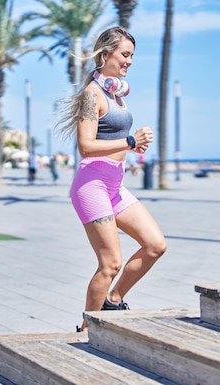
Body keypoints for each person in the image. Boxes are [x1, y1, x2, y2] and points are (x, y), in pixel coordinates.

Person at [56, 27, 166, 334]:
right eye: (125, 54)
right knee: (110, 264)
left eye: (132, 56)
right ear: (106, 55)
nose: (129, 61)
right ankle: (88, 330)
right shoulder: (92, 95)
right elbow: (86, 146)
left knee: (155, 244)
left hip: (115, 186)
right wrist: (130, 141)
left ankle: (113, 302)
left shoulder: (114, 93)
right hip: (92, 187)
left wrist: (131, 145)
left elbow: (114, 138)